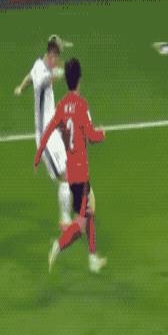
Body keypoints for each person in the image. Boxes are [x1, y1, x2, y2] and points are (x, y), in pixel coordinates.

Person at [34, 58, 107, 274]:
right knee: (81, 224)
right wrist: (102, 134)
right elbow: (91, 136)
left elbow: (48, 130)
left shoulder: (62, 106)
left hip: (72, 171)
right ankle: (58, 246)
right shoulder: (82, 105)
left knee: (89, 212)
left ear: (66, 80)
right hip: (80, 173)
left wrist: (38, 156)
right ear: (80, 79)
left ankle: (93, 258)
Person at [15, 35, 72, 226]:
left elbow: (29, 77)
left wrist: (21, 88)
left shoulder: (38, 64)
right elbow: (42, 79)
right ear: (52, 54)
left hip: (53, 132)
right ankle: (65, 220)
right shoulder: (43, 72)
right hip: (45, 137)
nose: (58, 59)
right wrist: (60, 74)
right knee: (64, 177)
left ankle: (68, 211)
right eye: (58, 55)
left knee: (68, 171)